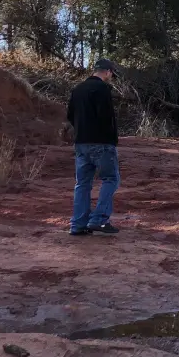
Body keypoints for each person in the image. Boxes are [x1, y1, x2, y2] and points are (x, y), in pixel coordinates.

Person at [66, 59, 121, 235]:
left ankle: (78, 224)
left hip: (81, 142)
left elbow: (70, 114)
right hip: (102, 143)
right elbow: (105, 117)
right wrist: (111, 137)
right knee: (111, 179)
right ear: (107, 71)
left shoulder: (78, 89)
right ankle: (99, 219)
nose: (111, 76)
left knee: (82, 183)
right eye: (112, 73)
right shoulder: (102, 89)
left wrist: (82, 129)